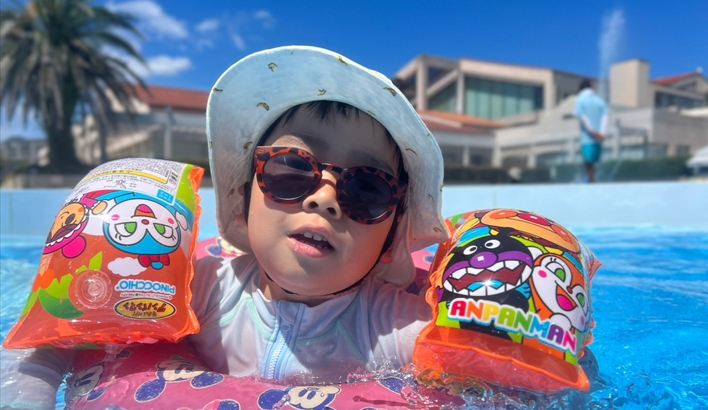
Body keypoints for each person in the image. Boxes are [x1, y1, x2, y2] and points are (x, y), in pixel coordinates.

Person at [0, 46, 449, 409]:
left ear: (392, 238)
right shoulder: (204, 291)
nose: (324, 199)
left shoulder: (394, 329)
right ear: (241, 202)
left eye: (367, 189)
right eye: (292, 169)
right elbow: (57, 339)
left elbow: (476, 369)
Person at [574, 79, 609, 183]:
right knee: (594, 165)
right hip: (599, 140)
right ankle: (592, 181)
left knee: (588, 164)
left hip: (588, 139)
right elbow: (605, 117)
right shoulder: (600, 101)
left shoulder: (580, 100)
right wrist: (602, 133)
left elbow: (583, 117)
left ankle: (591, 183)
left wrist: (593, 132)